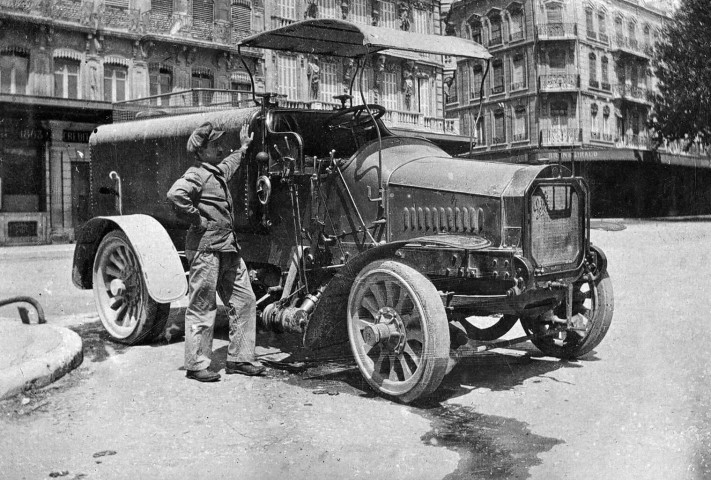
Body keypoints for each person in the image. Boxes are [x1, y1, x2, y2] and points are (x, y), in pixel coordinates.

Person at [167, 121, 266, 382]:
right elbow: (175, 194)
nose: (220, 148)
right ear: (201, 150)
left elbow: (230, 165)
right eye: (215, 145)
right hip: (205, 250)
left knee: (245, 300)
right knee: (202, 306)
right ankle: (196, 364)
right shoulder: (196, 174)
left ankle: (240, 358)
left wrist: (244, 148)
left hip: (227, 248)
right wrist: (196, 218)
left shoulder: (216, 172)